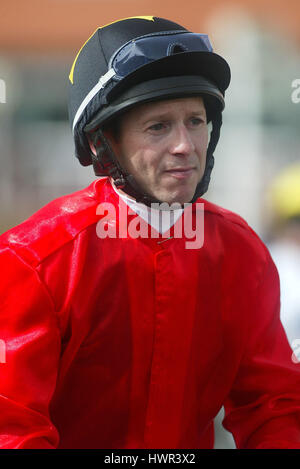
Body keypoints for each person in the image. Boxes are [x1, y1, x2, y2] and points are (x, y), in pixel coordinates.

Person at [1, 16, 300, 450]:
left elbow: (273, 407)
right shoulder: (34, 261)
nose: (185, 145)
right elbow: (12, 427)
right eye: (158, 126)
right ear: (104, 142)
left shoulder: (241, 252)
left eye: (195, 120)